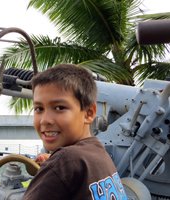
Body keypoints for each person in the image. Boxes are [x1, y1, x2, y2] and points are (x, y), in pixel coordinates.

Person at [23, 64, 127, 200]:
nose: (45, 120)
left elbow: (66, 163)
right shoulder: (97, 152)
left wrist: (56, 164)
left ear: (89, 113)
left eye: (59, 108)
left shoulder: (65, 162)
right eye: (38, 109)